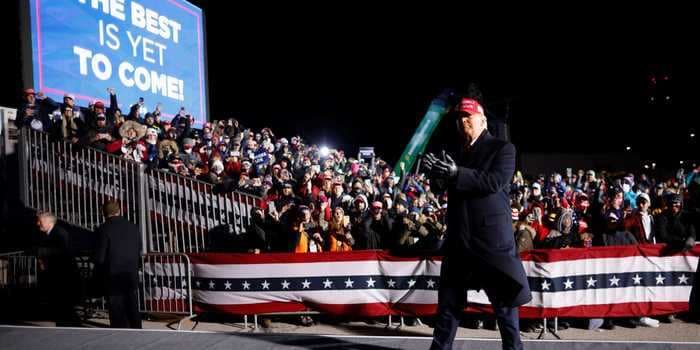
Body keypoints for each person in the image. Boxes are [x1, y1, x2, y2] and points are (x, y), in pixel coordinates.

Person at [423, 96, 531, 350]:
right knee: (448, 309)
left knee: (505, 311)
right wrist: (436, 176)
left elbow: (493, 182)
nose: (462, 121)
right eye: (459, 118)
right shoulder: (455, 153)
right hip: (459, 242)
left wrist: (456, 173)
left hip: (491, 243)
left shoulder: (502, 148)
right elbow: (443, 187)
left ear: (482, 119)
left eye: (467, 116)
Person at [94, 200, 143, 329]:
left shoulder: (103, 229)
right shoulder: (133, 227)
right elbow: (138, 249)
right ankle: (138, 331)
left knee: (117, 312)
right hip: (130, 274)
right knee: (132, 306)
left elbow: (100, 257)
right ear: (119, 211)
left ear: (103, 213)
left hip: (113, 276)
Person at [36, 211, 79, 326]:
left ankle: (69, 326)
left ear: (49, 222)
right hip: (55, 275)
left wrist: (43, 252)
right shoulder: (49, 234)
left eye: (40, 221)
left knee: (64, 306)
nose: (38, 223)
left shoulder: (60, 233)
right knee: (60, 307)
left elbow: (64, 253)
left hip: (62, 276)